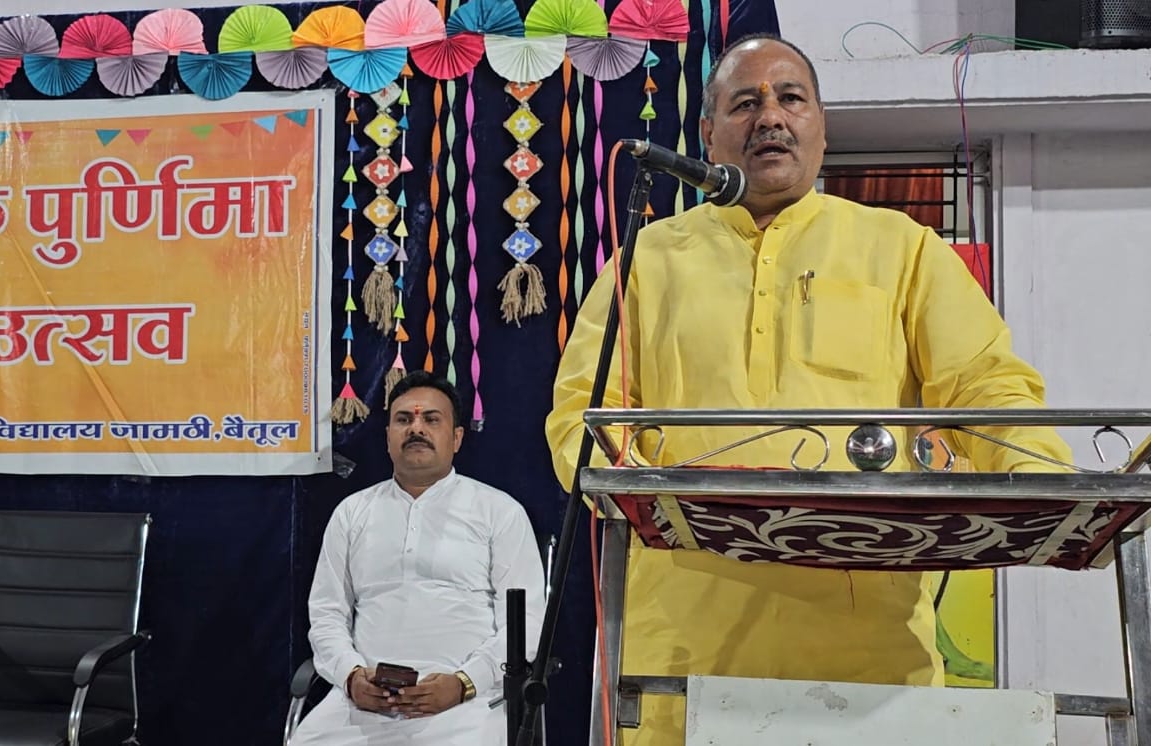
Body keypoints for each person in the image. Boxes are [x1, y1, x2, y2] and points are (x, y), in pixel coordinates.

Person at [544, 34, 1073, 746]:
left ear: (821, 127)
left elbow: (987, 386)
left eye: (791, 98)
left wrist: (1051, 487)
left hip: (869, 668)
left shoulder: (903, 248)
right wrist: (648, 490)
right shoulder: (646, 261)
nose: (770, 116)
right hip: (682, 663)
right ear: (708, 133)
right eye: (745, 103)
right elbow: (581, 415)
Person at [293, 371, 546, 745]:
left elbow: (526, 622)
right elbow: (327, 613)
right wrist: (351, 676)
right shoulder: (352, 513)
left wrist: (464, 683)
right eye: (403, 420)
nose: (416, 428)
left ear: (456, 438)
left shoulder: (499, 511)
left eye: (431, 419)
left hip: (465, 705)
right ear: (388, 438)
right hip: (362, 705)